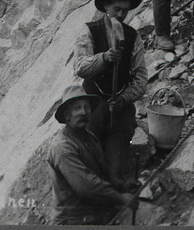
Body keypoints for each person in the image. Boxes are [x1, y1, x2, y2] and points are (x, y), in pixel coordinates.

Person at [73, 0, 148, 181]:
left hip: (118, 105)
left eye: (125, 10)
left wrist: (124, 99)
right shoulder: (89, 30)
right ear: (106, 7)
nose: (121, 15)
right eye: (116, 9)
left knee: (117, 160)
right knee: (89, 151)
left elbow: (141, 78)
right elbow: (79, 67)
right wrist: (104, 58)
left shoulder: (133, 36)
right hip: (91, 101)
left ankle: (115, 181)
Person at [46, 82, 139, 225]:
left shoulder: (89, 137)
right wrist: (121, 198)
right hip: (71, 221)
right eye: (77, 108)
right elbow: (87, 187)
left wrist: (121, 185)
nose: (84, 112)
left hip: (93, 217)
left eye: (86, 107)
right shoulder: (63, 147)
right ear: (67, 116)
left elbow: (102, 174)